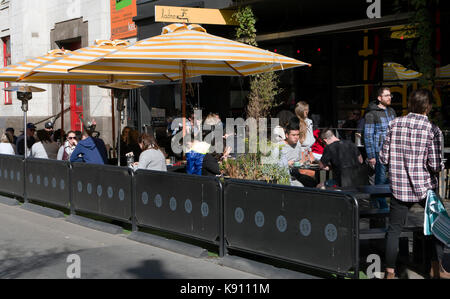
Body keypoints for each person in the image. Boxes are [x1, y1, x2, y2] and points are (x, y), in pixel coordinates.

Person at [380, 89, 447, 279]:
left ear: (410, 104)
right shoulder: (433, 130)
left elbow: (383, 157)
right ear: (428, 106)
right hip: (425, 188)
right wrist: (441, 164)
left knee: (393, 231)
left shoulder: (394, 124)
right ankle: (436, 269)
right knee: (437, 227)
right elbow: (435, 165)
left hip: (399, 187)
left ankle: (390, 273)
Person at [364, 87, 396, 209]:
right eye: (387, 95)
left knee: (392, 179)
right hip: (379, 151)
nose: (389, 97)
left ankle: (383, 203)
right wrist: (371, 156)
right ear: (379, 98)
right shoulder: (371, 114)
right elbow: (368, 136)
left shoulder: (392, 111)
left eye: (390, 95)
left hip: (392, 151)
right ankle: (381, 206)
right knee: (380, 180)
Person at [276, 117, 317, 188]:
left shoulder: (298, 144)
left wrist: (305, 160)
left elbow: (300, 160)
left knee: (313, 182)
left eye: (297, 135)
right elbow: (273, 165)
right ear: (287, 135)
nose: (296, 137)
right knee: (300, 186)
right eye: (293, 135)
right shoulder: (279, 146)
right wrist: (286, 164)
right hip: (284, 176)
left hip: (296, 174)